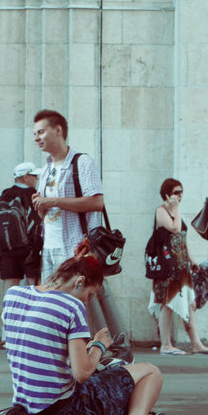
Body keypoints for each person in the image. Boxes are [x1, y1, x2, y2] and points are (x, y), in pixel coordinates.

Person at [2, 245, 182, 415]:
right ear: (78, 282)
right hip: (62, 408)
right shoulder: (71, 306)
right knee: (150, 372)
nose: (87, 301)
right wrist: (98, 345)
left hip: (27, 405)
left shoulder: (13, 295)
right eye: (90, 294)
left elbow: (38, 349)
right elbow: (82, 374)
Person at [33, 109, 130, 352]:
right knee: (58, 304)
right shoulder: (44, 170)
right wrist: (41, 206)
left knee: (91, 301)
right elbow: (47, 214)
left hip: (78, 246)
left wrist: (53, 202)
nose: (37, 138)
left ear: (58, 130)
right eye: (34, 133)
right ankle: (71, 354)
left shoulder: (81, 162)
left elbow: (96, 202)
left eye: (41, 131)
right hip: (51, 249)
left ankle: (113, 349)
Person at [146, 178, 208, 356]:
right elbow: (175, 229)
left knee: (189, 303)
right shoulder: (161, 211)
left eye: (181, 191)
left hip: (181, 265)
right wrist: (176, 209)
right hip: (167, 266)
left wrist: (192, 260)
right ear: (167, 194)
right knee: (167, 303)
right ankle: (166, 345)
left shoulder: (177, 212)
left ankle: (196, 343)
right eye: (176, 192)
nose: (180, 195)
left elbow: (182, 239)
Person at [0, 161, 44, 349]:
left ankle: (6, 336)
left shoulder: (5, 195)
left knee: (9, 292)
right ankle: (32, 336)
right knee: (32, 290)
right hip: (29, 250)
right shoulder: (33, 195)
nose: (37, 179)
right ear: (26, 177)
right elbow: (38, 224)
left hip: (6, 251)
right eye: (34, 176)